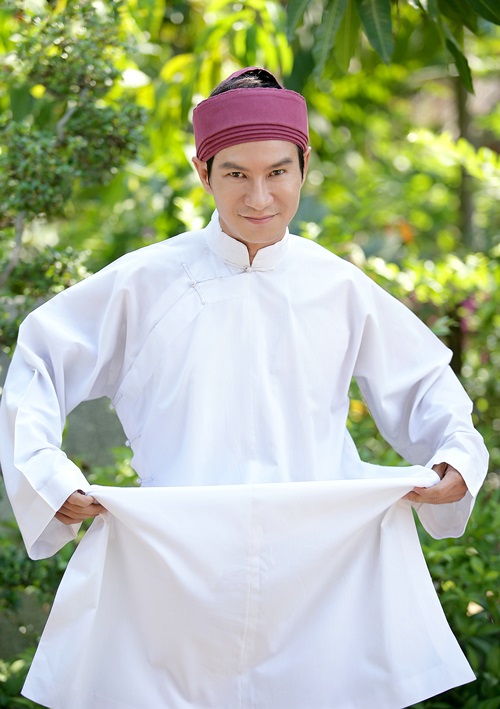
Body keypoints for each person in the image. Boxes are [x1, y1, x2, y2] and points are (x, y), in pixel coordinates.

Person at [0, 67, 489, 708]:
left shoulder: (338, 286)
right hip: (175, 573)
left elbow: (425, 384)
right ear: (204, 173)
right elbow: (39, 362)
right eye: (236, 174)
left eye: (277, 172)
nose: (259, 196)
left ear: (304, 168)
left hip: (321, 579)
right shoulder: (144, 282)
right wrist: (46, 473)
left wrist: (456, 455)